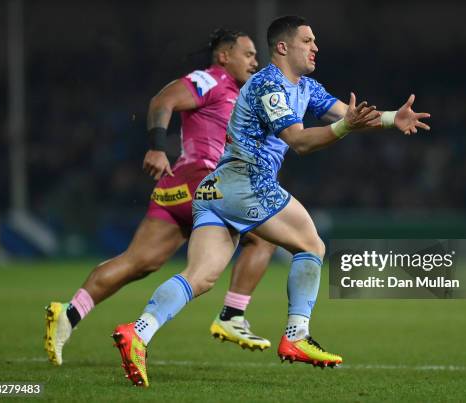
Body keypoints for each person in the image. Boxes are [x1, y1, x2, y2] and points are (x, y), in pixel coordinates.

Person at [112, 15, 431, 387]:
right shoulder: (268, 85)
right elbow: (299, 141)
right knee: (312, 245)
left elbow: (349, 114)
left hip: (216, 191)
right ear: (282, 47)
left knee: (199, 277)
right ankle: (296, 335)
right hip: (248, 184)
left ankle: (138, 332)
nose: (316, 47)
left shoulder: (306, 87)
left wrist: (393, 118)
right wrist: (346, 128)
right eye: (308, 40)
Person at [44, 29, 277, 366]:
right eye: (248, 54)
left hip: (178, 187)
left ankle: (69, 313)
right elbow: (162, 101)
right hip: (204, 180)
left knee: (139, 261)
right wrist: (156, 146)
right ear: (224, 56)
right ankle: (233, 315)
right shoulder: (211, 79)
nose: (255, 61)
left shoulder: (238, 96)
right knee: (266, 233)